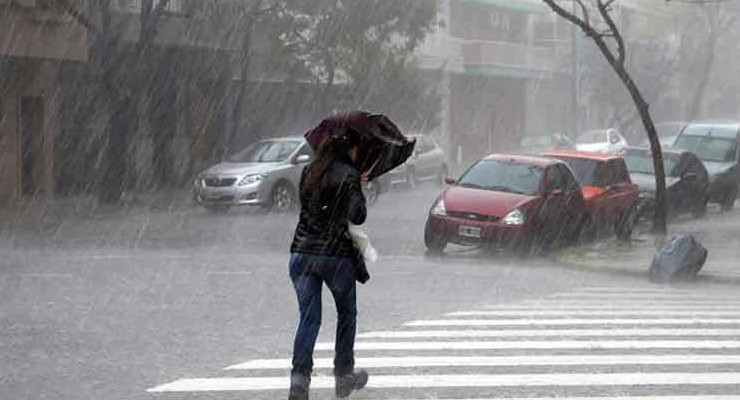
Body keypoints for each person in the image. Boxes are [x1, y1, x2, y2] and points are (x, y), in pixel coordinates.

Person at [288, 125, 369, 400]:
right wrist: (358, 187)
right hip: (334, 256)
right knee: (346, 315)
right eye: (357, 148)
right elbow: (358, 216)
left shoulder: (308, 173)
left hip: (301, 253)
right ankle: (343, 375)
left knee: (309, 319)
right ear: (350, 148)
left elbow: (309, 208)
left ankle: (299, 380)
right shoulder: (349, 175)